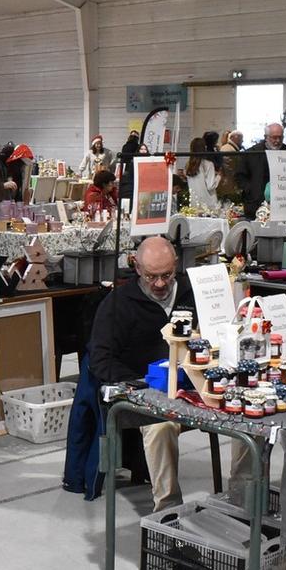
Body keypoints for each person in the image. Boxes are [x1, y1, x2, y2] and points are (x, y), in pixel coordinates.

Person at [89, 236, 192, 512]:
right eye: (151, 276)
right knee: (161, 427)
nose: (159, 284)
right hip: (144, 391)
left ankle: (245, 499)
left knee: (246, 414)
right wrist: (142, 383)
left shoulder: (191, 294)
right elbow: (100, 361)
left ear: (176, 266)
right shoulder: (117, 304)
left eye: (166, 275)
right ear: (136, 268)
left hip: (191, 387)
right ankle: (168, 510)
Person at [235, 123, 286, 219]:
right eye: (274, 137)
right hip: (255, 204)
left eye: (280, 137)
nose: (278, 141)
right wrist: (250, 189)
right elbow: (240, 175)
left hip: (282, 204)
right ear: (266, 137)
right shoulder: (251, 153)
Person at [185, 137, 221, 209]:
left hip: (195, 203)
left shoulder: (188, 166)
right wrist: (219, 176)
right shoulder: (208, 164)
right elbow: (210, 186)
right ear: (204, 148)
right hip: (209, 204)